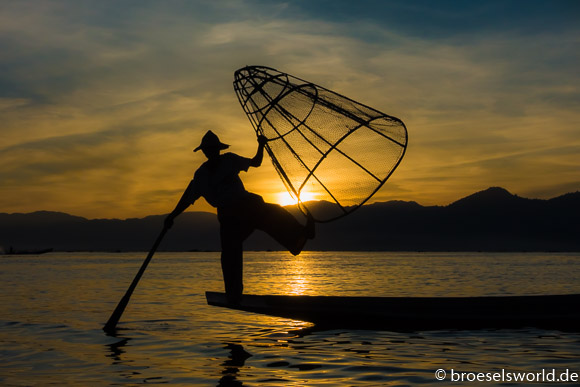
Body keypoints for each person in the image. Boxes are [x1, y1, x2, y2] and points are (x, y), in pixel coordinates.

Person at [165, 130, 314, 303]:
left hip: (247, 206)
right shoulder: (201, 176)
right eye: (208, 150)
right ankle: (234, 294)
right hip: (228, 216)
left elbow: (255, 163)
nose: (212, 152)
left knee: (274, 213)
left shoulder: (229, 160)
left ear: (217, 150)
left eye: (213, 149)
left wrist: (261, 145)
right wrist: (172, 216)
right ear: (205, 152)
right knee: (230, 253)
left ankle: (299, 237)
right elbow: (187, 198)